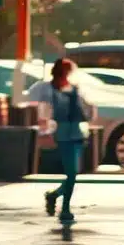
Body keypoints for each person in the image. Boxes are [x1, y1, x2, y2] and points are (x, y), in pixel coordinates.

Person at [27, 59, 97, 223]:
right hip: (63, 133)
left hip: (77, 133)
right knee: (71, 173)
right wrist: (45, 132)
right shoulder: (47, 89)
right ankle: (64, 208)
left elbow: (87, 108)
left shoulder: (74, 89)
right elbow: (43, 113)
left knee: (73, 173)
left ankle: (54, 196)